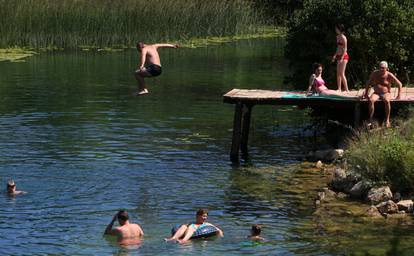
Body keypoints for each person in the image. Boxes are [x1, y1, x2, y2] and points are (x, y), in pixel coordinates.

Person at [363, 61, 402, 128]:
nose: (381, 69)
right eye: (380, 67)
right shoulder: (375, 73)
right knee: (371, 100)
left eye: (383, 68)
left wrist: (399, 95)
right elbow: (368, 83)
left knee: (387, 101)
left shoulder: (389, 75)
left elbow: (399, 84)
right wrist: (366, 93)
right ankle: (371, 119)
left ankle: (387, 120)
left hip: (386, 93)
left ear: (386, 68)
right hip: (376, 93)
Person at [331, 24, 349, 92]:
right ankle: (339, 88)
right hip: (338, 56)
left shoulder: (344, 38)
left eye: (336, 29)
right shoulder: (337, 37)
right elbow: (338, 47)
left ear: (340, 29)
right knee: (338, 73)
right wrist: (335, 55)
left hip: (344, 56)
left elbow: (345, 49)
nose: (335, 30)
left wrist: (342, 57)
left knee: (342, 73)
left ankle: (347, 90)